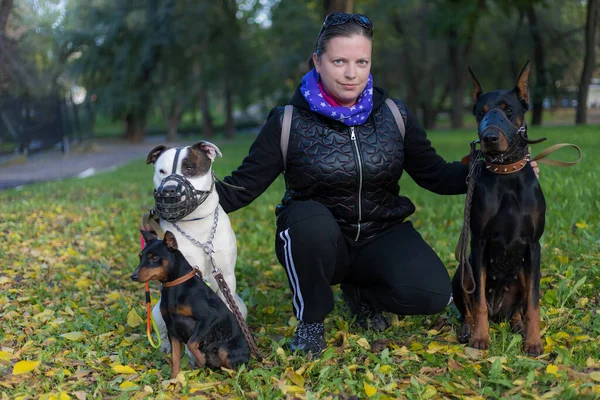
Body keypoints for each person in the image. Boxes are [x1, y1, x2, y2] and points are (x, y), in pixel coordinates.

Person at [150, 12, 540, 355]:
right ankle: (311, 324)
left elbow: (435, 174)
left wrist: (501, 167)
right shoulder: (287, 121)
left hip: (379, 232)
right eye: (339, 61)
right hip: (317, 237)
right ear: (317, 62)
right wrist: (182, 194)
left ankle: (362, 294)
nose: (351, 72)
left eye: (361, 61)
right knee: (307, 224)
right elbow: (240, 188)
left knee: (434, 292)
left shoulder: (394, 115)